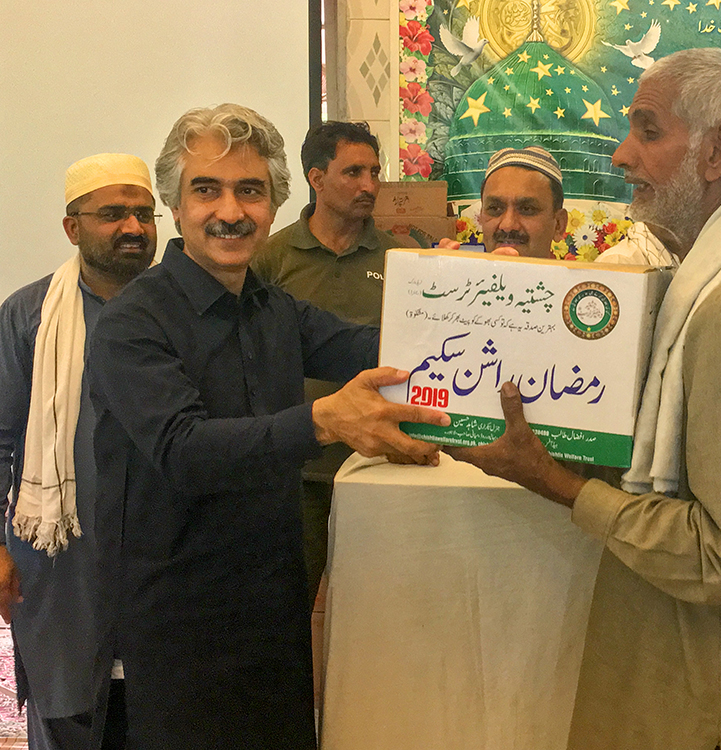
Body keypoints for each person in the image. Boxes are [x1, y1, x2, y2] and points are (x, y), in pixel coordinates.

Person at [449, 48, 721, 749]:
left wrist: (559, 484)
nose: (623, 155)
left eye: (648, 131)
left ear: (716, 151)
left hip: (709, 696)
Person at [85, 104, 448, 750]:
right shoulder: (131, 322)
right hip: (182, 626)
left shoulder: (274, 308)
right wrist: (323, 420)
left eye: (250, 191)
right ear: (175, 204)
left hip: (275, 615)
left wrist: (464, 300)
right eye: (207, 189)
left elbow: (379, 350)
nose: (230, 211)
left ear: (276, 203)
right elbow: (184, 449)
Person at [0, 153, 156, 750]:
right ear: (73, 228)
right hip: (62, 562)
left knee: (162, 710)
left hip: (162, 557)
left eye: (144, 213)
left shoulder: (180, 307)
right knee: (68, 713)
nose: (133, 227)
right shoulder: (30, 314)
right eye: (112, 214)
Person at [252, 120, 395, 606]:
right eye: (353, 172)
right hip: (298, 471)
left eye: (374, 172)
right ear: (316, 177)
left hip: (377, 466)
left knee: (377, 609)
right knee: (286, 605)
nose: (369, 185)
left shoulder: (402, 258)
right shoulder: (271, 257)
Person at [442, 146, 568, 258]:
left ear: (559, 225)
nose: (507, 226)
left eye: (526, 209)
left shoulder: (574, 278)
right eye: (495, 209)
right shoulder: (462, 277)